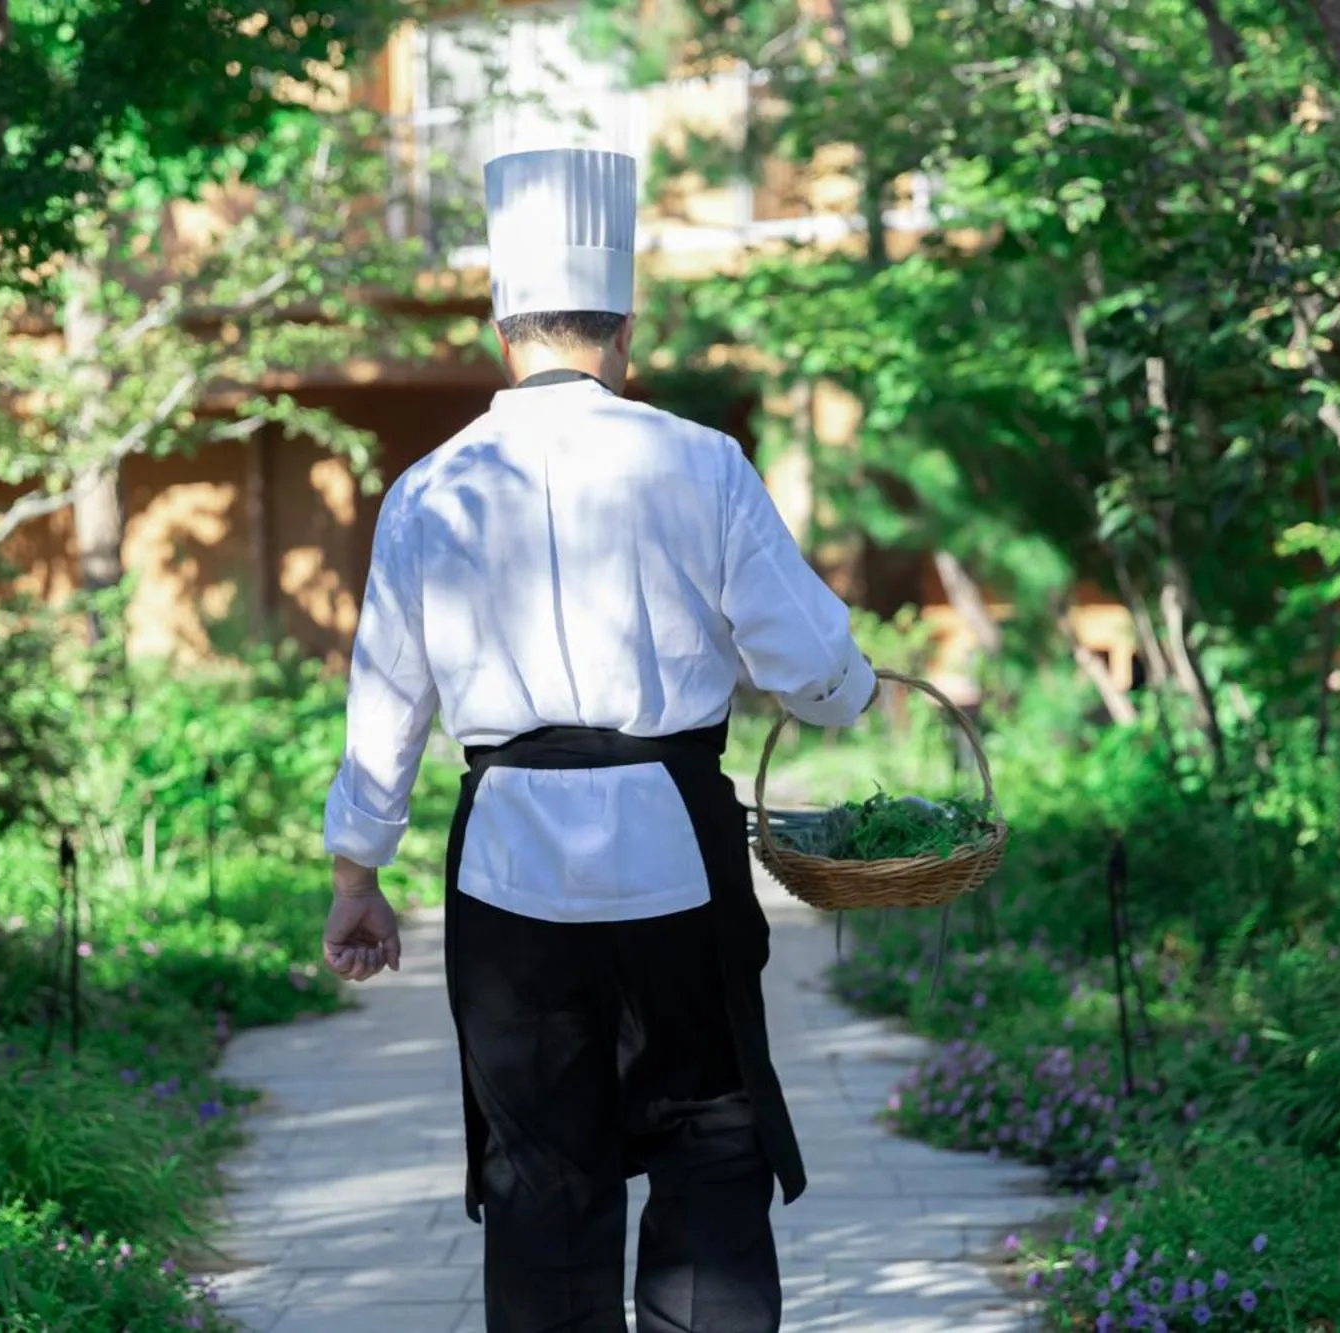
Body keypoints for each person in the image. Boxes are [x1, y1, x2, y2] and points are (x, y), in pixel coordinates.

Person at [320, 146, 878, 1333]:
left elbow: (384, 705)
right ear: (624, 326)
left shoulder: (429, 489)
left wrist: (355, 877)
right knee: (708, 1146)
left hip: (504, 864)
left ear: (498, 328)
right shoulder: (699, 459)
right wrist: (851, 690)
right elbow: (810, 671)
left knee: (540, 1179)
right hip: (676, 850)